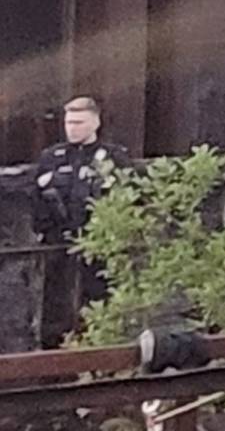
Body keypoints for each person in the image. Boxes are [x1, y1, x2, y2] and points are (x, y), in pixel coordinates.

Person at [30, 97, 132, 345]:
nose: (72, 128)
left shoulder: (112, 156)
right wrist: (43, 231)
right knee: (55, 300)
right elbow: (37, 198)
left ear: (95, 122)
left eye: (79, 122)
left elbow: (126, 196)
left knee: (98, 295)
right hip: (59, 242)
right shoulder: (52, 157)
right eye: (69, 122)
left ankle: (100, 343)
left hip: (97, 241)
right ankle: (52, 348)